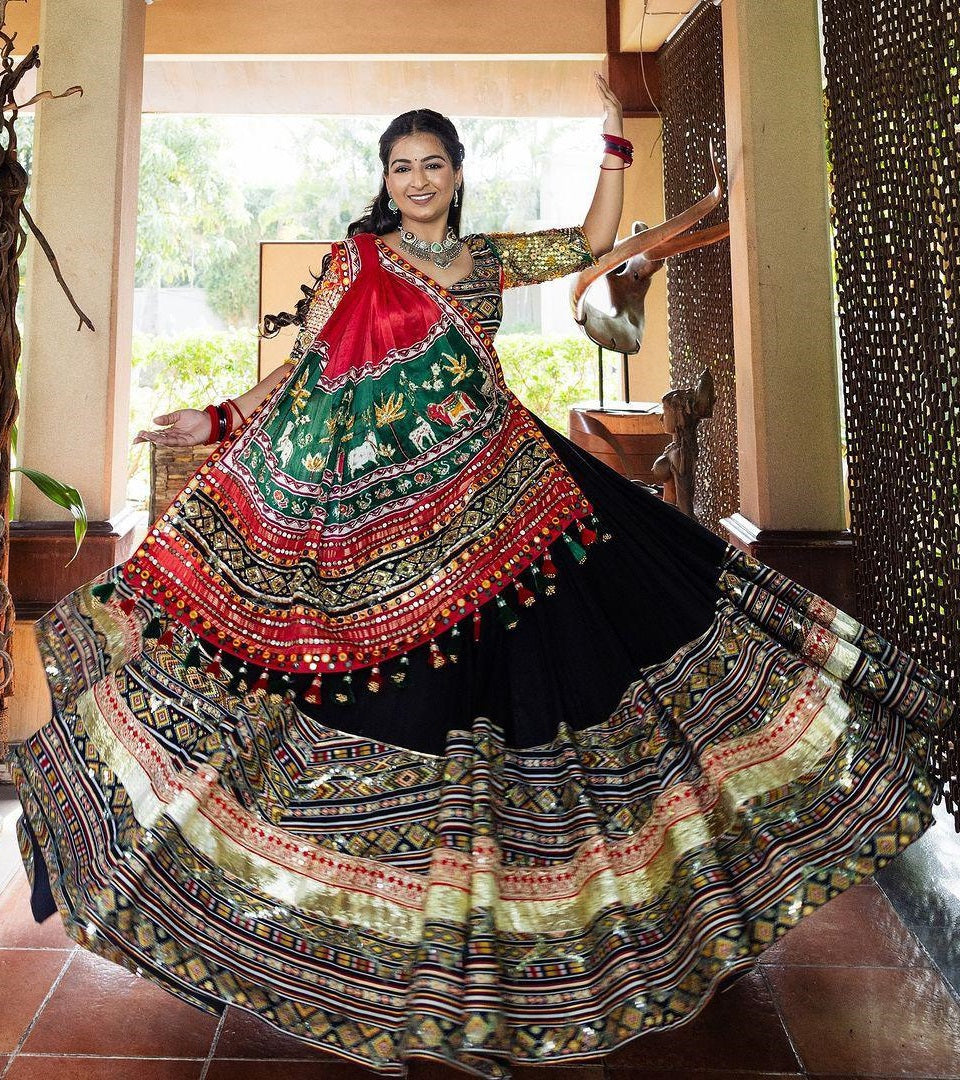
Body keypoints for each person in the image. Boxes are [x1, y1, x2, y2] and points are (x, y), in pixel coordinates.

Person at [10, 76, 954, 1079]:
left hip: (504, 499)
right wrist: (221, 419)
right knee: (374, 700)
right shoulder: (356, 260)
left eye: (432, 165)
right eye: (399, 167)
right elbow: (301, 367)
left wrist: (612, 146)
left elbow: (592, 241)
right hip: (382, 515)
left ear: (457, 176)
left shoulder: (491, 260)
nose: (415, 181)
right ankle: (387, 933)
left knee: (553, 679)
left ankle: (519, 939)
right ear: (387, 180)